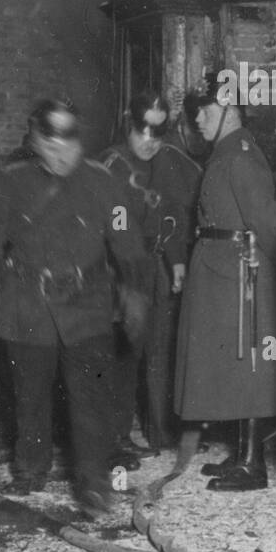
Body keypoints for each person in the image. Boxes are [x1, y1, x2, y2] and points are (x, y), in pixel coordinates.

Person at [0, 99, 150, 519]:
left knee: (90, 397)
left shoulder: (101, 182)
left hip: (87, 305)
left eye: (70, 144)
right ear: (37, 143)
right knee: (30, 392)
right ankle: (31, 465)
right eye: (52, 145)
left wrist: (134, 292)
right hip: (29, 304)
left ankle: (94, 481)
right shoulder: (12, 183)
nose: (62, 154)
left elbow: (127, 240)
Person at [174, 73, 276, 490]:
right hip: (224, 272)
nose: (198, 122)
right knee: (234, 365)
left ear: (228, 109)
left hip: (243, 274)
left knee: (250, 367)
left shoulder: (241, 155)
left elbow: (269, 223)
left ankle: (252, 463)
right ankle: (241, 454)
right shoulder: (225, 153)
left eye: (203, 112)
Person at [99, 90, 202, 452]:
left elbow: (172, 212)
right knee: (125, 352)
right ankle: (116, 437)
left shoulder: (167, 160)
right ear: (129, 123)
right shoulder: (111, 165)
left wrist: (176, 259)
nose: (148, 141)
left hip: (156, 264)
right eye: (143, 130)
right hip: (123, 268)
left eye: (157, 133)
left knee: (160, 347)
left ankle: (161, 431)